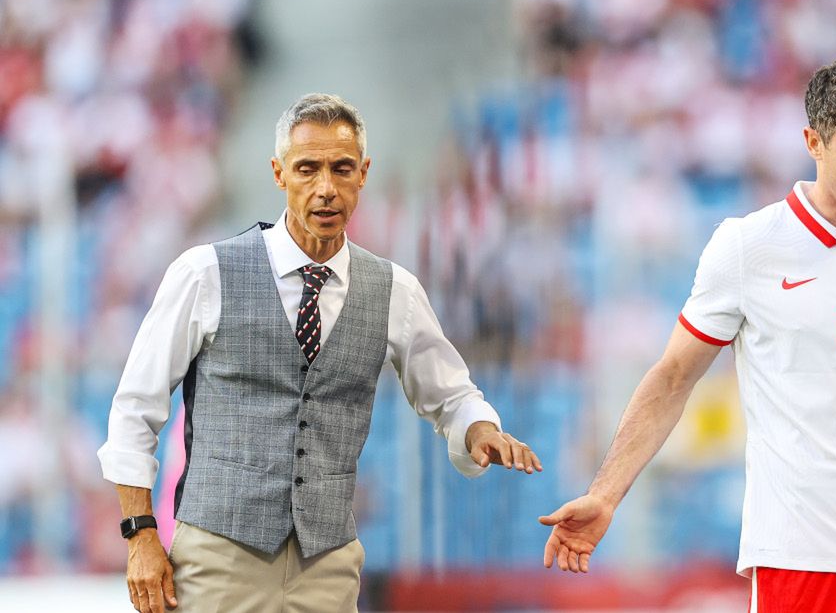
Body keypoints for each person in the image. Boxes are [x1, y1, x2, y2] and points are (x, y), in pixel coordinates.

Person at [539, 59, 836, 612]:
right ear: (814, 142)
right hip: (802, 561)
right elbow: (673, 377)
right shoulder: (748, 247)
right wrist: (605, 496)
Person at [98, 93, 542, 613]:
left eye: (342, 169)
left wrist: (479, 429)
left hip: (327, 565)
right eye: (307, 169)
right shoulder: (205, 273)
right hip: (217, 559)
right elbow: (135, 407)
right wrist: (140, 535)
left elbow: (451, 395)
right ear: (279, 174)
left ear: (364, 174)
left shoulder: (394, 290)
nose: (326, 188)